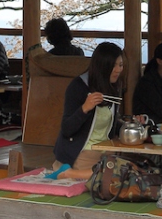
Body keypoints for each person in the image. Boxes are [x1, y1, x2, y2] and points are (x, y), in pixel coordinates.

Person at [53, 42, 125, 180]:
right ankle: (68, 172)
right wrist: (84, 108)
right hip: (82, 152)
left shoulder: (114, 87)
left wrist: (131, 126)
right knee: (112, 176)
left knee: (129, 170)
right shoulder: (78, 86)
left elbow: (111, 124)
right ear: (102, 66)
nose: (118, 70)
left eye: (120, 65)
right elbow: (67, 129)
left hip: (105, 150)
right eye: (113, 66)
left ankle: (74, 173)